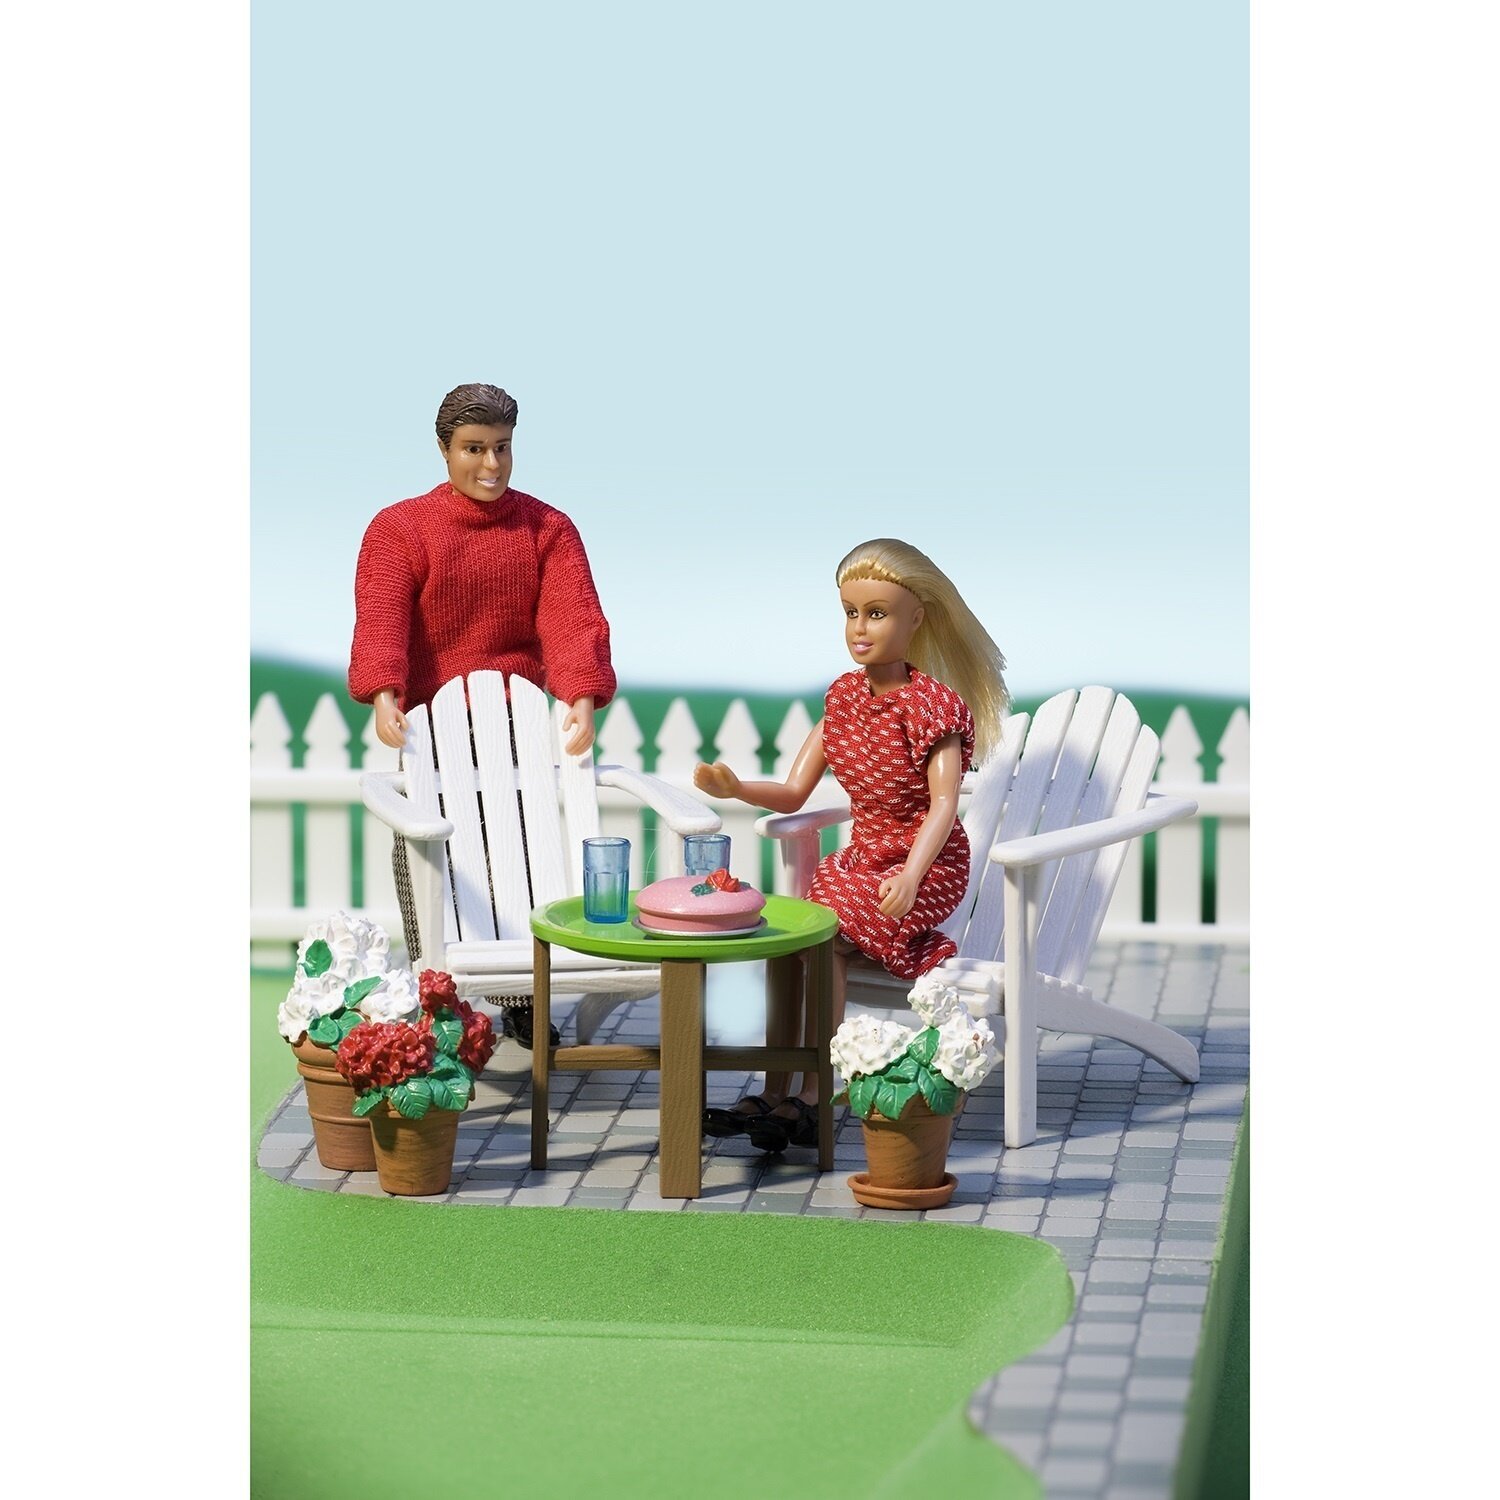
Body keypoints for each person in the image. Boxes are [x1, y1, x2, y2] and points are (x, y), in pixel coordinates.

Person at [693, 538, 1008, 1151]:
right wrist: (737, 788)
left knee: (827, 938)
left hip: (926, 865)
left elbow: (944, 804)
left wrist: (911, 874)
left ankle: (815, 1094)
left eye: (878, 613)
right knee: (792, 941)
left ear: (917, 619)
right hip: (860, 861)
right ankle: (775, 1088)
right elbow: (793, 792)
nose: (860, 628)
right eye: (851, 612)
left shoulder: (933, 706)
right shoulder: (842, 697)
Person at [349, 383, 616, 1047]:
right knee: (430, 854)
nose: (491, 464)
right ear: (444, 450)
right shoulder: (401, 529)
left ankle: (522, 993)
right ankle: (436, 986)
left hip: (513, 724)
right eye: (474, 449)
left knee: (520, 851)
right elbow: (382, 614)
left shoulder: (546, 529)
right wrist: (384, 690)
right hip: (434, 730)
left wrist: (580, 693)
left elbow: (571, 617)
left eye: (502, 447)